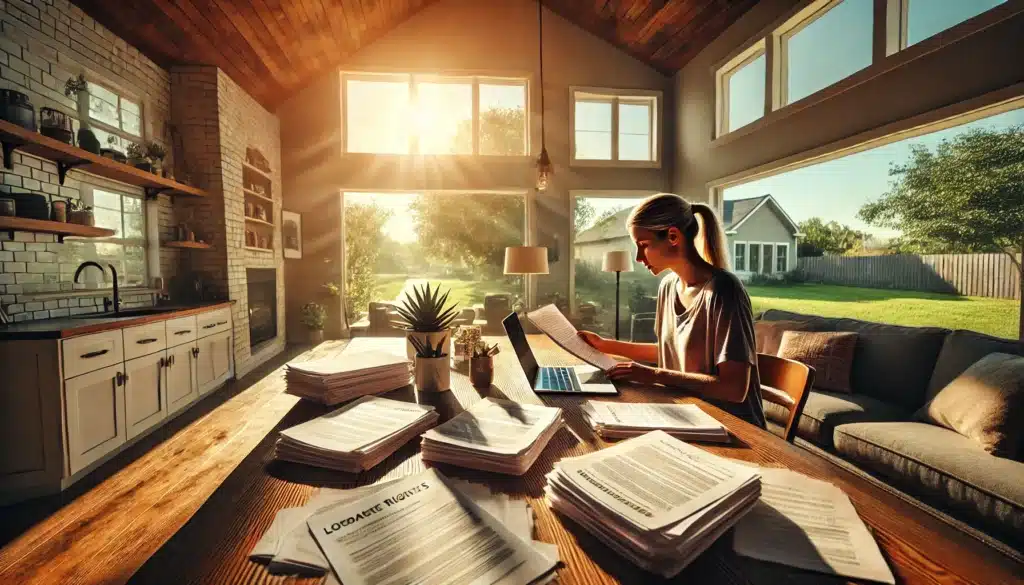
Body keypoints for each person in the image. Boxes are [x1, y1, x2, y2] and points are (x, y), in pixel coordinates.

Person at [578, 193, 766, 428]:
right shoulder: (668, 287)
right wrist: (605, 345)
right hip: (687, 414)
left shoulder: (725, 291)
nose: (638, 257)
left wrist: (653, 376)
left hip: (732, 428)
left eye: (643, 246)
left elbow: (734, 389)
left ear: (673, 236)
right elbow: (670, 351)